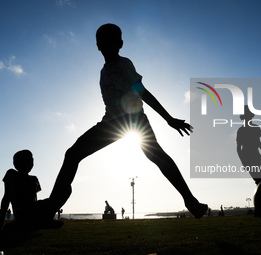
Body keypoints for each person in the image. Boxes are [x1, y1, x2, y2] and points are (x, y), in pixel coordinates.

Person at [48, 23, 207, 219]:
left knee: (157, 157)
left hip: (133, 119)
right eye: (103, 41)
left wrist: (168, 119)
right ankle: (50, 207)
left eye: (112, 41)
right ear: (97, 45)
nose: (107, 45)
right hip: (111, 123)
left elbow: (142, 92)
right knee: (73, 154)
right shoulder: (103, 70)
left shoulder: (124, 64)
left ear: (120, 43)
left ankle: (190, 201)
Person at [0, 150, 41, 229]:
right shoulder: (11, 174)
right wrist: (1, 220)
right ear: (17, 162)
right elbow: (6, 198)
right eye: (27, 160)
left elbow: (35, 198)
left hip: (34, 212)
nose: (31, 163)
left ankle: (40, 221)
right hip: (22, 213)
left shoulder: (34, 179)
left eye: (32, 160)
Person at [236, 105, 261, 185]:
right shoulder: (241, 130)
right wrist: (243, 162)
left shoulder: (255, 127)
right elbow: (238, 148)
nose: (250, 117)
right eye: (247, 115)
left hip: (257, 157)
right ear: (243, 117)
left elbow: (258, 142)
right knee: (259, 181)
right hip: (249, 159)